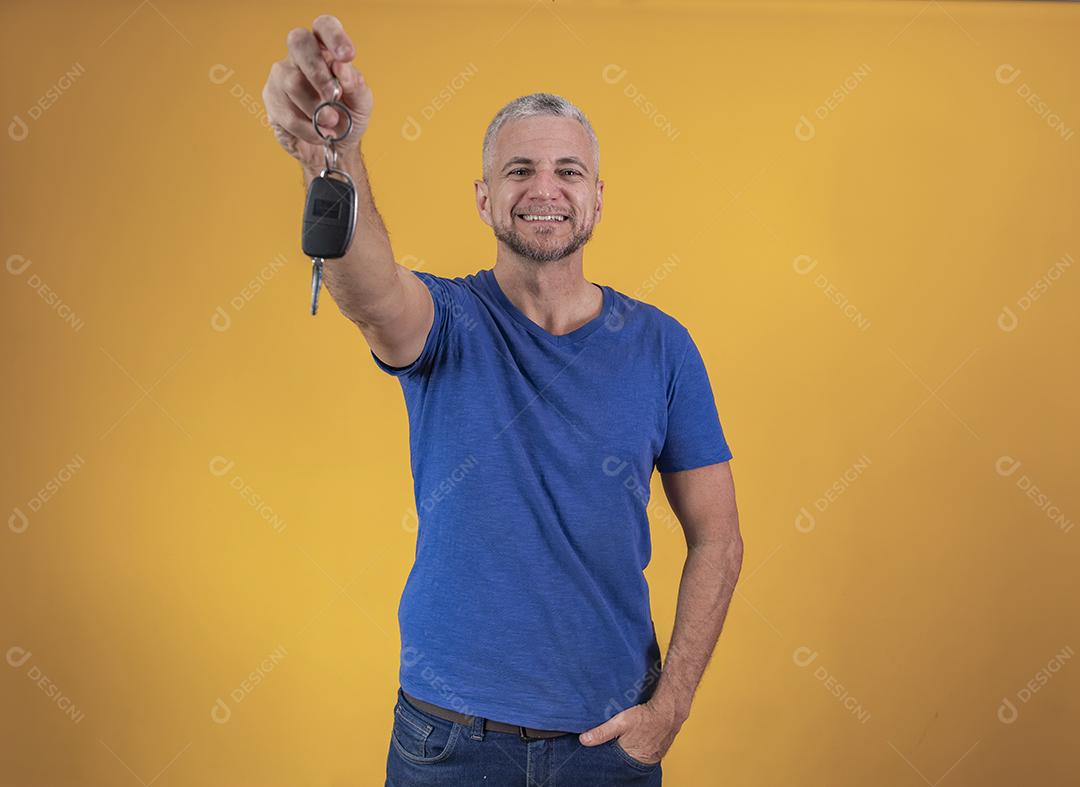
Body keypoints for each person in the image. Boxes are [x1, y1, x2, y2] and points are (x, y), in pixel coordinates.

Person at [263, 15, 744, 786]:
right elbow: (370, 289)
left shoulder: (662, 345)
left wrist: (670, 709)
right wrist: (337, 151)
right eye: (519, 171)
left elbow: (718, 537)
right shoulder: (449, 320)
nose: (544, 189)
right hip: (445, 743)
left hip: (607, 744)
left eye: (568, 172)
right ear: (485, 198)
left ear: (597, 198)